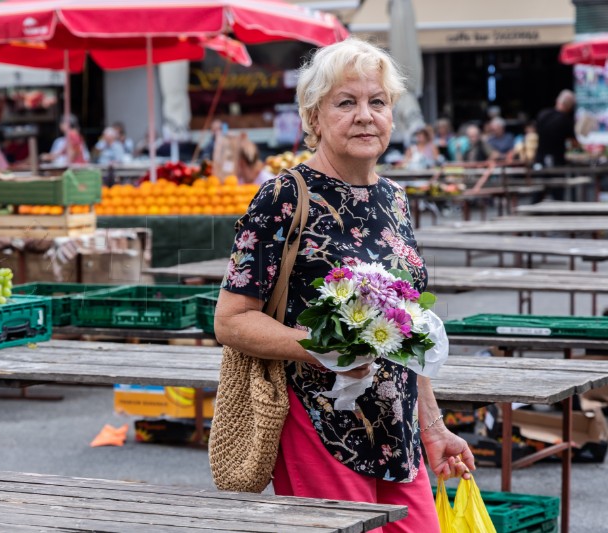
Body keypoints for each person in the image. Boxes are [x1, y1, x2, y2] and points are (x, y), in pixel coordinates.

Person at [213, 38, 473, 533]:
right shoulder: (283, 196)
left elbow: (405, 330)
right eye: (346, 103)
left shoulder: (394, 197)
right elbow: (231, 321)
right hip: (319, 424)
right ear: (313, 117)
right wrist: (328, 348)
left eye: (377, 102)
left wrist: (433, 427)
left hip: (399, 431)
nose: (365, 116)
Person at [534, 90, 577, 202]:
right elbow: (574, 142)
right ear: (569, 105)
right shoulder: (565, 120)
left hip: (539, 158)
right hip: (556, 161)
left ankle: (532, 214)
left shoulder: (542, 114)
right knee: (557, 194)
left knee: (538, 193)